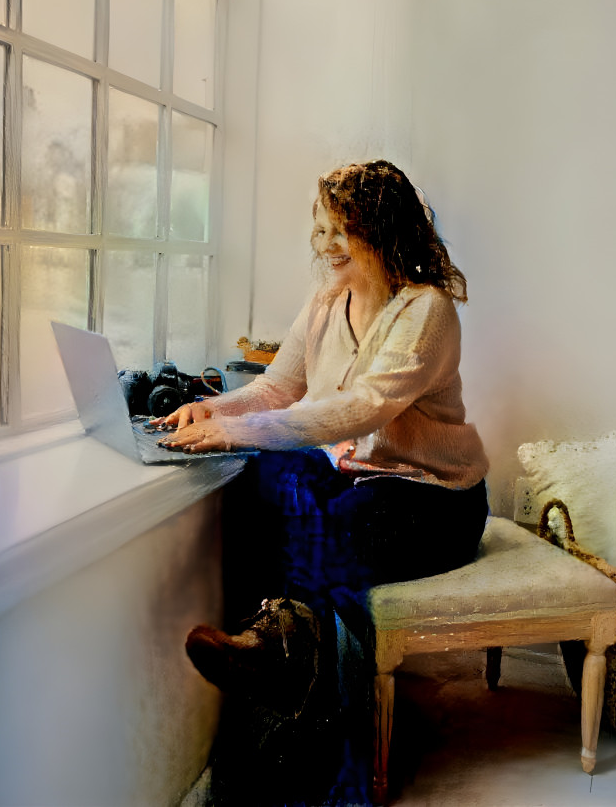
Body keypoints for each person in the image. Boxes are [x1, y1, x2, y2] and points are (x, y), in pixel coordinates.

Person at [156, 159, 489, 806]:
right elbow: (279, 387)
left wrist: (242, 431)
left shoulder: (427, 309)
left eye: (340, 229)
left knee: (330, 530)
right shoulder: (325, 304)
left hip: (436, 497)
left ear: (383, 230)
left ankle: (294, 689)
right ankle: (282, 659)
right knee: (277, 493)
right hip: (365, 480)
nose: (324, 244)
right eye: (320, 229)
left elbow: (364, 407)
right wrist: (215, 412)